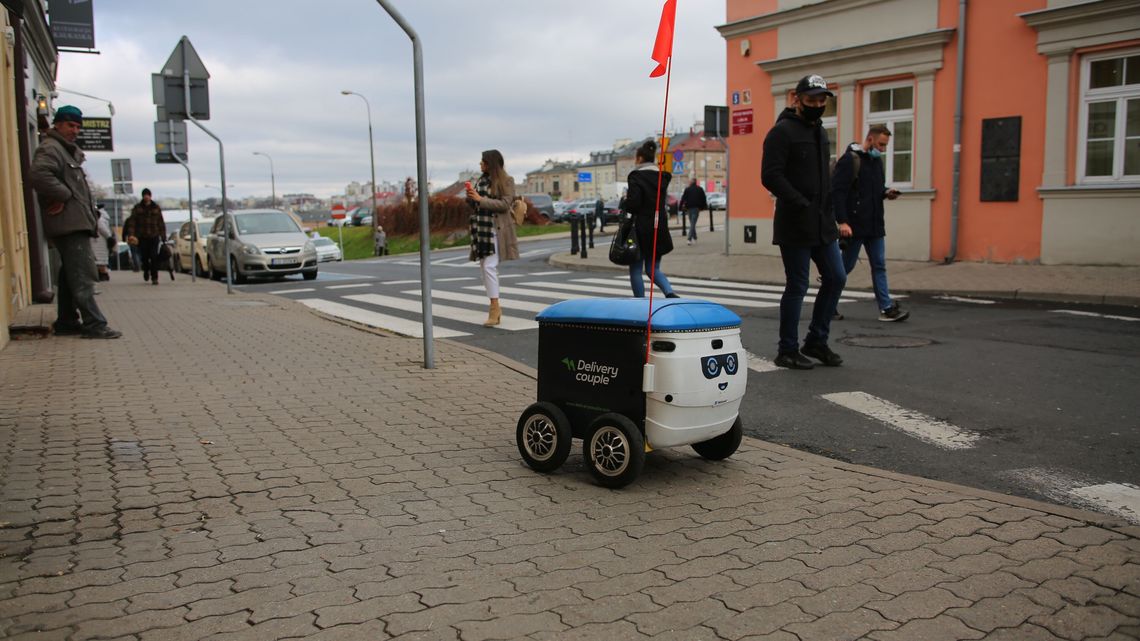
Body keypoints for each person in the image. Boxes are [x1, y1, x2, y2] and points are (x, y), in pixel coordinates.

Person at [761, 74, 846, 370]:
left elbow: (825, 177)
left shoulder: (820, 131)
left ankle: (817, 341)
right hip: (795, 222)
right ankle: (787, 349)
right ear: (797, 99)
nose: (818, 105)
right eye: (812, 100)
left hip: (823, 222)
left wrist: (833, 214)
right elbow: (770, 175)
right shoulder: (781, 132)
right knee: (798, 285)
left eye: (822, 100)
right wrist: (799, 201)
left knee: (836, 277)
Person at [29, 105, 122, 339]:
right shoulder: (52, 148)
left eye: (78, 127)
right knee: (82, 274)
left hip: (73, 221)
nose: (75, 131)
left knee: (69, 273)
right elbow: (39, 174)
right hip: (68, 223)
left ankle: (67, 320)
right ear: (58, 124)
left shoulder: (64, 150)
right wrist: (64, 195)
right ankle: (94, 323)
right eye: (71, 125)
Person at [832, 125, 910, 322]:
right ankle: (828, 304)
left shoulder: (876, 162)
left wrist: (886, 192)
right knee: (844, 268)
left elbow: (874, 189)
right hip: (854, 226)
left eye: (885, 145)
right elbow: (838, 192)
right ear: (870, 139)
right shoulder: (850, 160)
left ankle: (886, 309)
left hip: (875, 225)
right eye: (881, 144)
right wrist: (842, 222)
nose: (883, 149)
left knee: (879, 265)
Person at [465, 149, 519, 327]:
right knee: (484, 267)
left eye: (483, 161)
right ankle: (494, 305)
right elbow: (477, 204)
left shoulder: (506, 180)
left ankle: (494, 308)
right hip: (481, 229)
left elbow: (505, 204)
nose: (480, 164)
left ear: (491, 163)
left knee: (489, 266)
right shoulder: (481, 180)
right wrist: (471, 197)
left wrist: (480, 199)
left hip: (496, 229)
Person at [625, 139, 679, 299]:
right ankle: (669, 293)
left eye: (636, 158)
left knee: (636, 269)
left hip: (640, 229)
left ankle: (640, 301)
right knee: (653, 269)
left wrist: (626, 202)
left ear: (640, 158)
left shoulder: (636, 177)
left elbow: (634, 204)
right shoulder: (662, 177)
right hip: (659, 227)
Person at [127, 188, 166, 285]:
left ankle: (154, 277)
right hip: (142, 236)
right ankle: (146, 270)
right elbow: (132, 222)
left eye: (147, 195)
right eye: (145, 195)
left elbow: (161, 222)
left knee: (153, 256)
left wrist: (163, 236)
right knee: (144, 257)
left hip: (154, 236)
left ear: (150, 196)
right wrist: (131, 234)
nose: (146, 197)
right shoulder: (138, 208)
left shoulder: (156, 207)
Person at [680, 178, 707, 246]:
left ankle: (689, 239)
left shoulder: (687, 189)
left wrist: (680, 207)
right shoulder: (700, 189)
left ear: (692, 182)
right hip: (696, 208)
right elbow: (704, 198)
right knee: (692, 223)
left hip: (689, 208)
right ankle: (695, 237)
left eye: (690, 181)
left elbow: (683, 198)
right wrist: (703, 207)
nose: (689, 182)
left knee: (692, 223)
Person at [92, 204, 112, 282]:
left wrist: (108, 236)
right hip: (102, 241)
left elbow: (102, 228)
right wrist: (109, 237)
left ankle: (102, 274)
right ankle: (102, 274)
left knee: (99, 260)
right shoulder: (104, 217)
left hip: (97, 241)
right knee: (101, 260)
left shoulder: (99, 219)